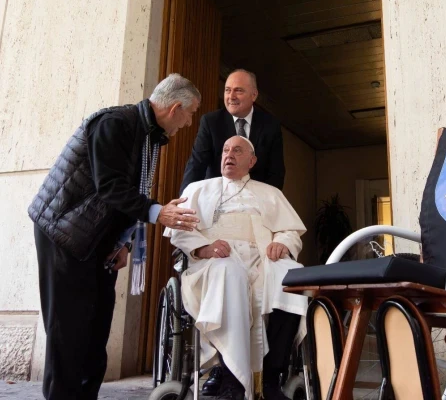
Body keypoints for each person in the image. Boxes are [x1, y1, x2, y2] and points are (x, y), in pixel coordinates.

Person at [28, 73, 201, 400]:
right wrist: (158, 212)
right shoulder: (114, 123)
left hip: (97, 241)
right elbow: (110, 187)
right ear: (175, 107)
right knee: (68, 332)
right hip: (64, 235)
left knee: (95, 330)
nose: (190, 123)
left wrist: (124, 242)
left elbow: (128, 194)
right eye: (190, 113)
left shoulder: (147, 134)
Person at [167, 135, 307, 400]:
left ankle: (270, 379)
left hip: (261, 258)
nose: (229, 155)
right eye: (225, 150)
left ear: (252, 161)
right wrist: (202, 248)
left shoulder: (270, 193)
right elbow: (179, 231)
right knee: (229, 273)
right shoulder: (197, 189)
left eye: (238, 150)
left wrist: (282, 242)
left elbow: (290, 231)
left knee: (291, 277)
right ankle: (232, 380)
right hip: (214, 260)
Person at [180, 69, 285, 193]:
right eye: (227, 90)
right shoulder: (211, 122)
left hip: (255, 201)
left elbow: (276, 172)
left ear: (254, 95)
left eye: (238, 90)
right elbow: (196, 165)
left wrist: (267, 203)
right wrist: (183, 202)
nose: (231, 96)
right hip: (217, 199)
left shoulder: (270, 125)